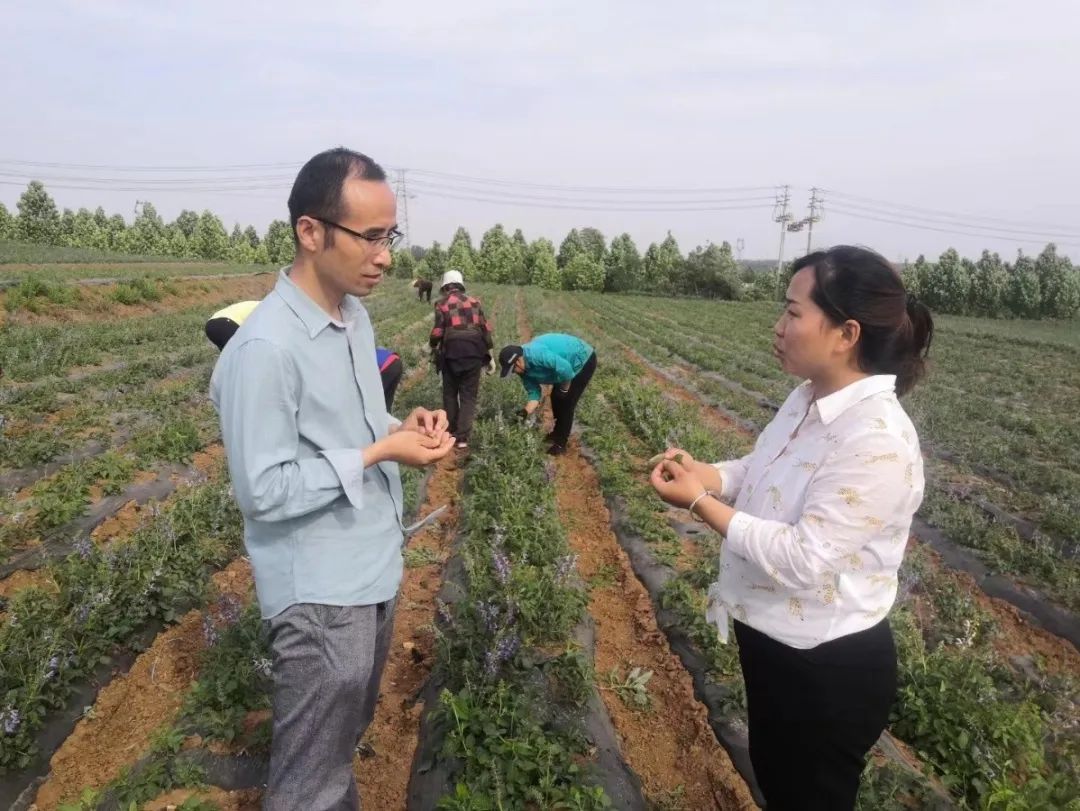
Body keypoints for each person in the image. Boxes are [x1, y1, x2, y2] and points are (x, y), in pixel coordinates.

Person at [209, 148, 456, 811]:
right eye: (370, 237)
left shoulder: (353, 316)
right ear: (310, 232)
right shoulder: (264, 350)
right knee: (307, 785)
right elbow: (263, 491)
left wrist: (408, 421)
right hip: (319, 595)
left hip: (370, 567)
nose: (385, 256)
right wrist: (379, 454)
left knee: (336, 748)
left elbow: (359, 418)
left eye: (389, 236)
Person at [648, 246, 933, 810]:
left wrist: (700, 501)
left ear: (846, 333)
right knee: (780, 784)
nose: (778, 327)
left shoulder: (877, 440)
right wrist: (711, 474)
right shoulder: (807, 398)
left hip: (824, 668)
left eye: (792, 312)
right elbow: (764, 470)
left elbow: (804, 556)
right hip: (775, 643)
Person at [206, 300, 404, 410]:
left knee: (243, 362)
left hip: (219, 321)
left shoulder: (275, 310)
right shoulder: (278, 311)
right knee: (244, 363)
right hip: (224, 322)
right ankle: (245, 394)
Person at [499, 333, 597, 456]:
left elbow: (566, 370)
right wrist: (524, 412)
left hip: (581, 360)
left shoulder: (537, 355)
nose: (514, 373)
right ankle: (557, 432)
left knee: (566, 403)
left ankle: (561, 444)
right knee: (555, 398)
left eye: (513, 370)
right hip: (562, 369)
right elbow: (534, 393)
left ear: (518, 361)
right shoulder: (523, 372)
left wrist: (564, 390)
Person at [429, 269, 494, 450]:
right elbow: (485, 329)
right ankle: (463, 438)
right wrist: (491, 356)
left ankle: (450, 433)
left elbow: (438, 331)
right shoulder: (475, 302)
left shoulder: (441, 304)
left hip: (452, 352)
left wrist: (433, 345)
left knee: (450, 393)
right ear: (460, 285)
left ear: (445, 287)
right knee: (468, 396)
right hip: (474, 351)